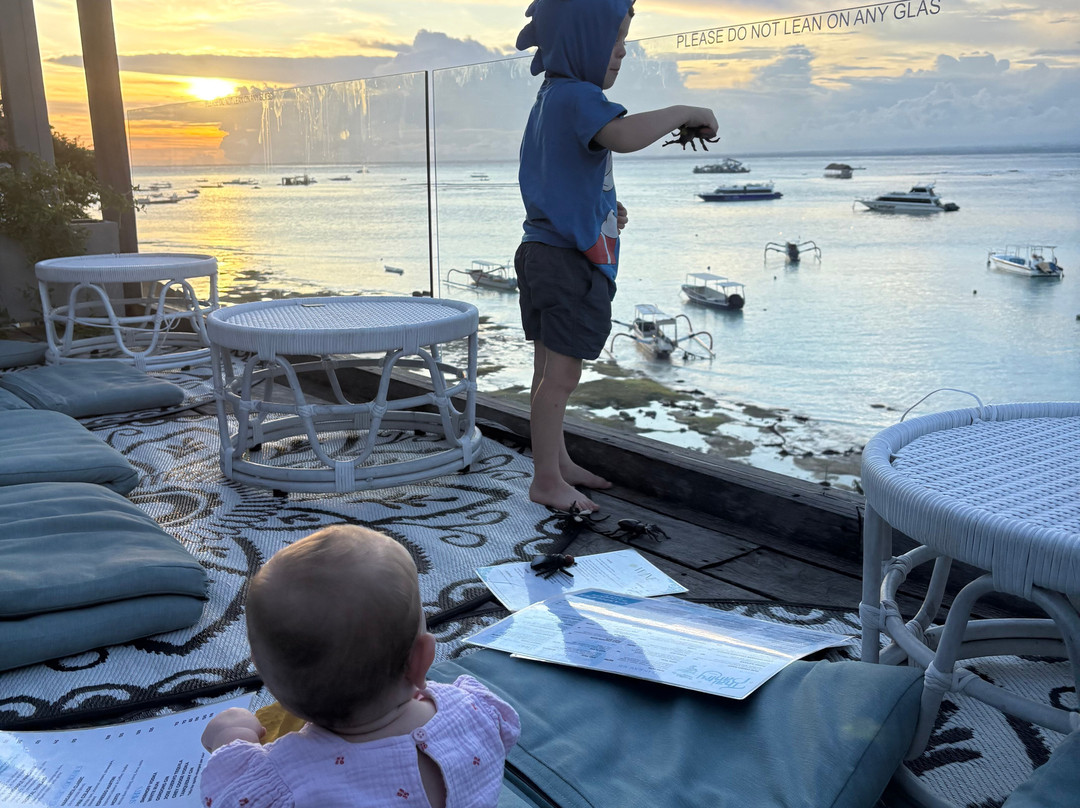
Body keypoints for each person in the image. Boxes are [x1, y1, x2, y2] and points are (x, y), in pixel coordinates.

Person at [514, 0, 719, 512]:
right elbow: (623, 137)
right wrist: (686, 112)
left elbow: (556, 178)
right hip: (566, 262)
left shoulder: (550, 98)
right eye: (615, 40)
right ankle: (545, 480)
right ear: (580, 41)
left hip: (540, 250)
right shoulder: (579, 96)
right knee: (562, 377)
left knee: (546, 371)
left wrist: (603, 207)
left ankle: (556, 464)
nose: (622, 52)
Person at [199, 525, 520, 808]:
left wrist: (232, 735)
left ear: (265, 674)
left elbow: (229, 796)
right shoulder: (475, 710)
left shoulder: (288, 782)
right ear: (423, 659)